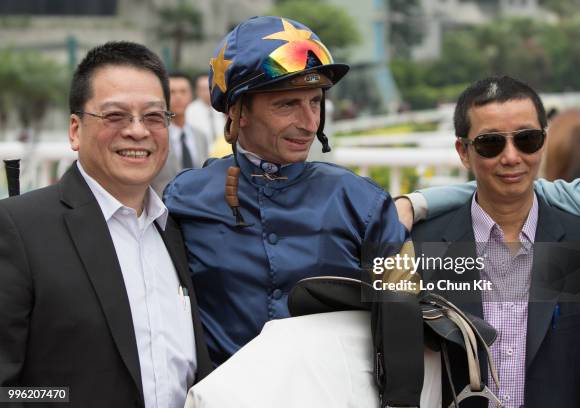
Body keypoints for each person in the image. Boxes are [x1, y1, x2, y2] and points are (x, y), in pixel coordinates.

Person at [164, 16, 411, 366]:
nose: (309, 123)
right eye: (287, 104)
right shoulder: (183, 199)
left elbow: (404, 320)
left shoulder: (362, 202)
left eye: (314, 101)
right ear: (237, 111)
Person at [0, 42, 213, 408]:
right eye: (115, 116)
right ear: (74, 130)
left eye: (152, 116)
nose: (137, 131)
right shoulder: (19, 229)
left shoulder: (177, 229)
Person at [406, 76, 580, 407]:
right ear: (463, 152)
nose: (511, 157)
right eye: (490, 143)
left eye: (526, 140)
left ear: (544, 141)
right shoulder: (418, 247)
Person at [152, 72, 209, 196]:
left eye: (183, 91)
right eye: (172, 92)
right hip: (164, 205)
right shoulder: (154, 135)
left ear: (191, 95)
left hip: (197, 205)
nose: (178, 97)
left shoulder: (200, 136)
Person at [185, 73, 226, 153]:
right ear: (197, 91)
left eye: (210, 87)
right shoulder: (190, 111)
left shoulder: (222, 108)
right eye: (203, 89)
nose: (207, 92)